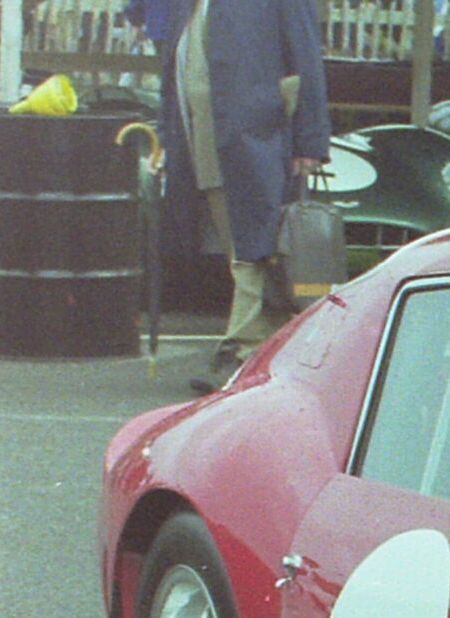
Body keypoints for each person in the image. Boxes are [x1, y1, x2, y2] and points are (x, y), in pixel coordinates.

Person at [168, 0, 330, 394]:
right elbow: (175, 71)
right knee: (240, 245)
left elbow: (307, 57)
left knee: (252, 246)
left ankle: (242, 347)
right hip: (206, 137)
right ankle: (263, 347)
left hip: (258, 134)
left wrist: (310, 139)